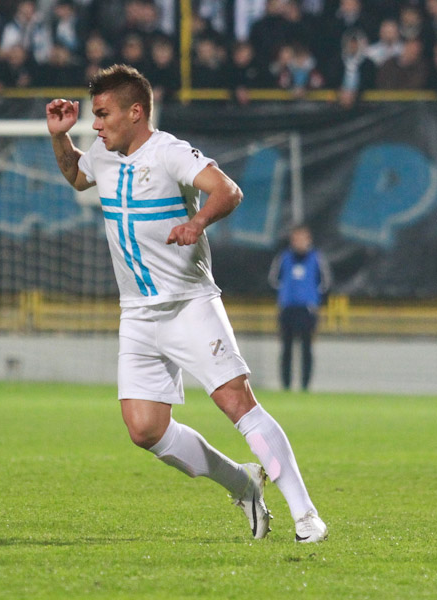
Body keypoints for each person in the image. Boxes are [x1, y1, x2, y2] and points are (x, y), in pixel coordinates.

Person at [45, 65, 328, 543]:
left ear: (136, 113)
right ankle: (243, 484)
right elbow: (76, 175)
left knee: (236, 402)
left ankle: (306, 515)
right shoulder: (103, 154)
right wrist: (60, 137)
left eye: (103, 114)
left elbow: (228, 190)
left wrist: (197, 223)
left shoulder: (170, 152)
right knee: (145, 430)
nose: (96, 124)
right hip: (137, 313)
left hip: (189, 305)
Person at [268, 225, 331, 392]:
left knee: (306, 348)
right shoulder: (283, 258)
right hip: (287, 309)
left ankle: (305, 386)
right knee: (286, 349)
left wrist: (313, 299)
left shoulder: (317, 258)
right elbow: (273, 281)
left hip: (307, 310)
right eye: (296, 239)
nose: (299, 242)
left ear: (309, 240)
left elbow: (326, 283)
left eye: (303, 239)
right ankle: (286, 385)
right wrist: (285, 296)